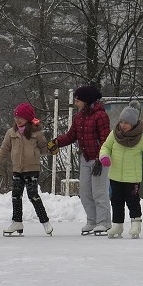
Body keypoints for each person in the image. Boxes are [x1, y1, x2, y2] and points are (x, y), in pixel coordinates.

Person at [98, 101, 143, 239]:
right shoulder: (114, 134)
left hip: (132, 178)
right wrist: (105, 157)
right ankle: (117, 225)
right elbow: (105, 147)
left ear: (134, 124)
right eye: (121, 122)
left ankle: (136, 223)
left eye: (126, 123)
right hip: (115, 176)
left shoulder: (142, 139)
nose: (123, 125)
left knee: (132, 201)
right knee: (116, 201)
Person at [49, 85, 111, 235]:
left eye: (78, 100)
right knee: (85, 192)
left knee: (99, 192)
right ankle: (92, 221)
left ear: (86, 100)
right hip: (85, 158)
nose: (76, 103)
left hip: (99, 160)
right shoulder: (79, 117)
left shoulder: (100, 115)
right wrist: (57, 141)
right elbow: (71, 136)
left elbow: (106, 139)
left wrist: (99, 158)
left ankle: (104, 222)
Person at [0, 103, 55, 237]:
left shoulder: (36, 132)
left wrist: (52, 150)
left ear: (28, 118)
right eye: (16, 117)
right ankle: (17, 221)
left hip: (32, 169)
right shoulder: (11, 132)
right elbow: (4, 149)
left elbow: (44, 149)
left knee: (33, 195)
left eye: (20, 117)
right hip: (17, 169)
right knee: (16, 195)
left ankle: (45, 222)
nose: (17, 120)